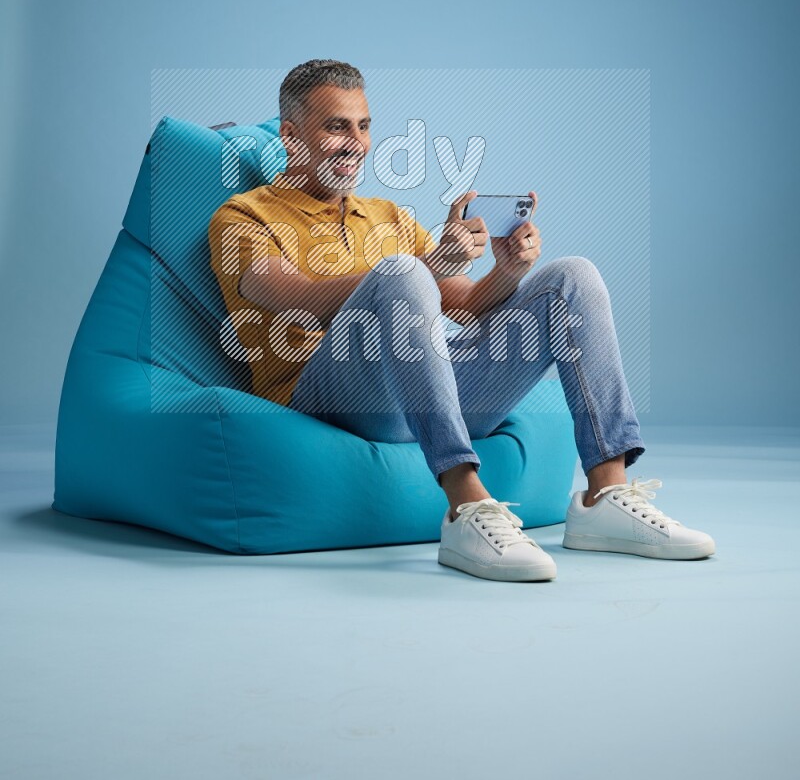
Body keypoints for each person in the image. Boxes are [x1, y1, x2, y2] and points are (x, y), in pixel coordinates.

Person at [208, 59, 715, 582]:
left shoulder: (389, 217)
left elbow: (468, 307)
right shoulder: (244, 217)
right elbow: (301, 296)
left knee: (572, 278)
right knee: (402, 271)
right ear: (291, 136)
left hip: (425, 396)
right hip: (331, 398)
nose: (356, 142)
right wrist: (424, 268)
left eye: (363, 125)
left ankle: (605, 493)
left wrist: (507, 269)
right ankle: (465, 506)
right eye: (336, 126)